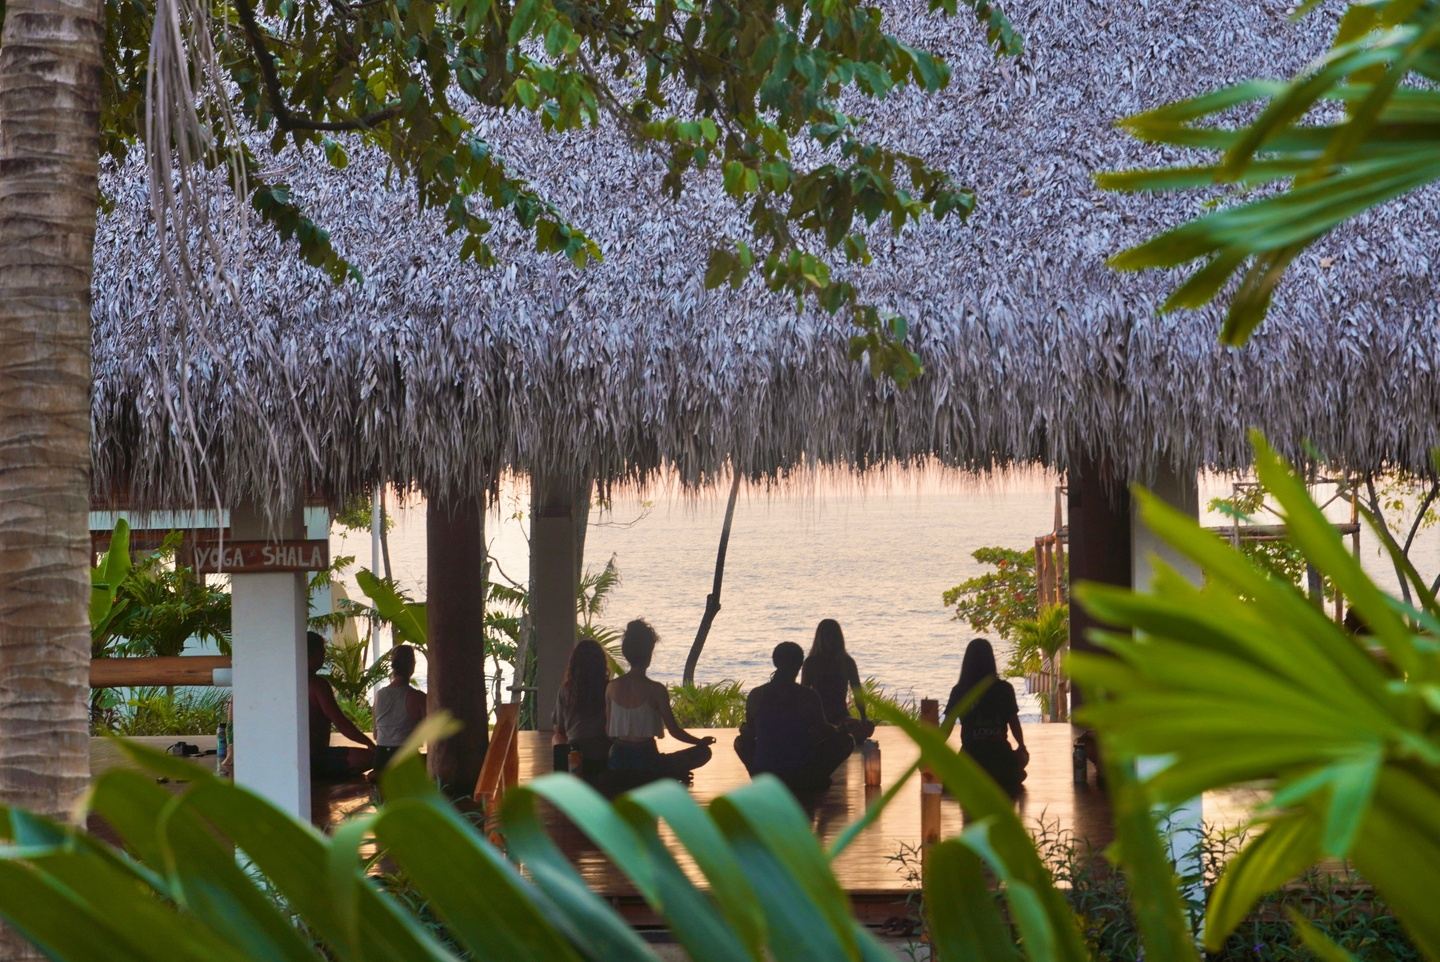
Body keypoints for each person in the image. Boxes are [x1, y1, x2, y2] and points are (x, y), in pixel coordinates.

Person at [737, 641, 853, 792]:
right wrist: (840, 729)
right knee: (846, 741)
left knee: (740, 742)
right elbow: (823, 730)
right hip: (800, 772)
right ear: (800, 664)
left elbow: (751, 732)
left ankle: (759, 777)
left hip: (766, 770)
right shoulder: (808, 696)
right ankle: (814, 778)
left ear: (775, 662)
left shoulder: (756, 694)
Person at [606, 619, 714, 781]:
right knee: (704, 752)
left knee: (639, 768)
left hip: (618, 761)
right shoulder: (656, 690)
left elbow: (608, 731)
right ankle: (662, 775)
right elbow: (675, 732)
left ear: (626, 653)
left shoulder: (611, 687)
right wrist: (700, 742)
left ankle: (643, 777)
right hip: (648, 761)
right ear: (649, 654)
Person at [944, 638, 1026, 796]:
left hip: (971, 761)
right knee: (1014, 774)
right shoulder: (1004, 689)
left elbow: (947, 727)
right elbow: (1014, 723)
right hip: (1001, 760)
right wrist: (1022, 747)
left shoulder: (960, 691)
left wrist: (930, 751)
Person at [307, 631, 376, 780]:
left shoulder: (290, 682)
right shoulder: (317, 685)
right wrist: (369, 743)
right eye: (322, 652)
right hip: (316, 758)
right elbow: (340, 722)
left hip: (300, 756)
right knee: (371, 758)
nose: (324, 656)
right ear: (312, 653)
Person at [801, 618, 876, 744]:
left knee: (867, 726)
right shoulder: (811, 663)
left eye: (833, 636)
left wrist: (863, 717)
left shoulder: (847, 662)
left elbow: (857, 691)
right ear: (821, 638)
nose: (831, 640)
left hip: (841, 717)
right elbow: (803, 694)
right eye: (828, 636)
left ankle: (834, 736)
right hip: (819, 718)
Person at [553, 638, 612, 778]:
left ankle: (565, 778)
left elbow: (560, 728)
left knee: (556, 738)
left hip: (576, 754)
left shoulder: (566, 690)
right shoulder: (610, 688)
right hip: (604, 752)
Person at [372, 644, 427, 770]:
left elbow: (376, 735)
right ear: (412, 666)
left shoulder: (379, 695)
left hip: (381, 759)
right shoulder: (418, 697)